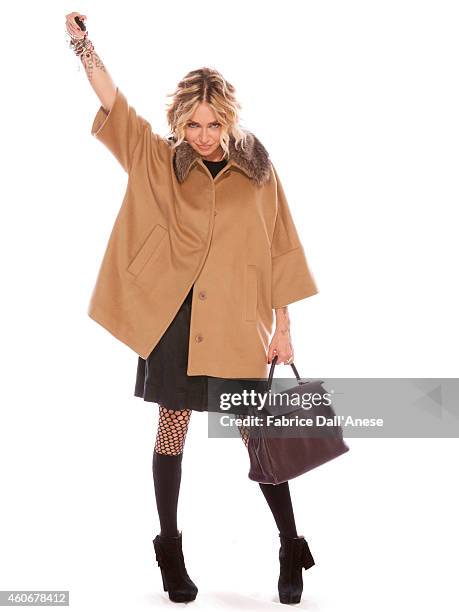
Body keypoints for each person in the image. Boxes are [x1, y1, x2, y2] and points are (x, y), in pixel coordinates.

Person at [66, 11, 318, 605]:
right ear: (178, 121)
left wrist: (284, 325)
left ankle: (289, 544)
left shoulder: (258, 171)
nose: (203, 135)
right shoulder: (159, 160)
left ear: (229, 120)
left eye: (213, 123)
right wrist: (84, 48)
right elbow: (117, 107)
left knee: (258, 437)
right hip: (174, 322)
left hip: (235, 321)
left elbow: (282, 242)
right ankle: (170, 550)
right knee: (171, 432)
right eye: (192, 124)